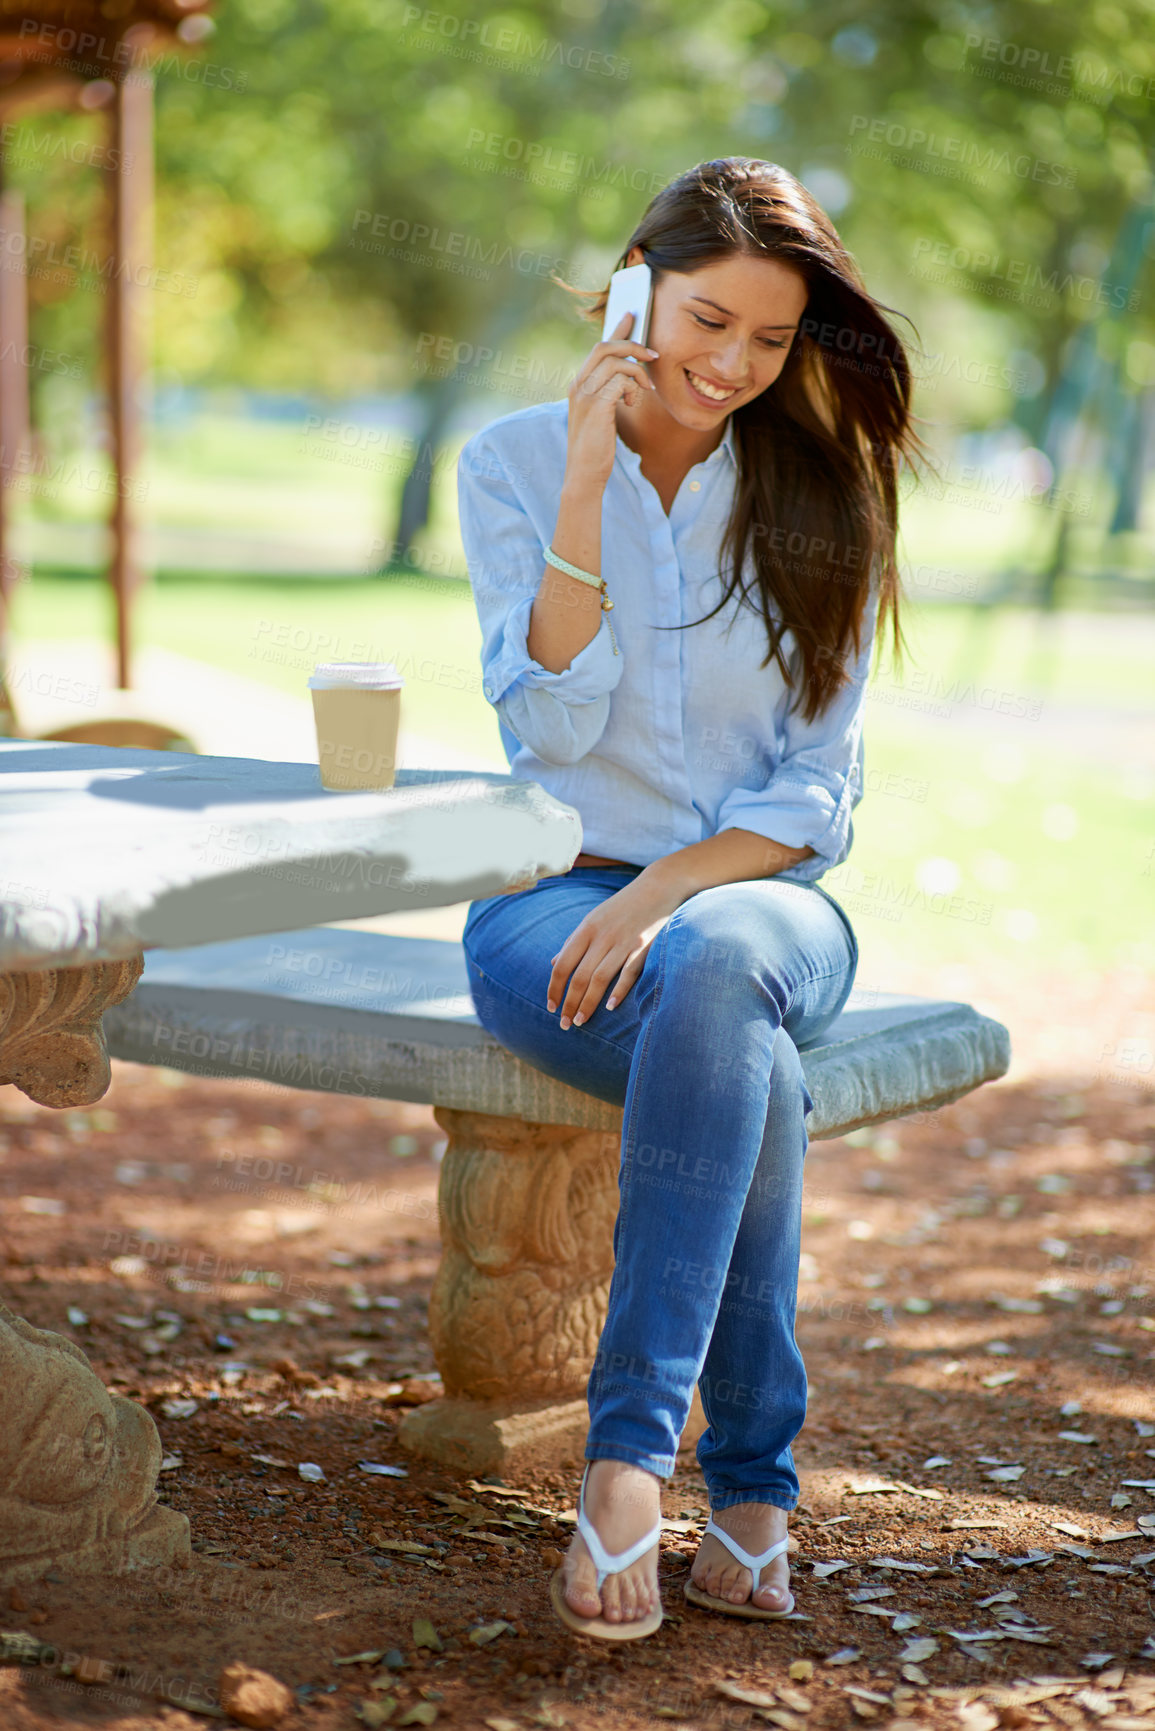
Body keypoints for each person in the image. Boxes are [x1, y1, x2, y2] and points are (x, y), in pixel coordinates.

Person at [455, 156, 919, 1641]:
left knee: (719, 969)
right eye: (706, 321)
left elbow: (810, 800)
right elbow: (551, 735)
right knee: (747, 1072)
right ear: (636, 288)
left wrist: (662, 890)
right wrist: (590, 484)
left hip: (758, 903)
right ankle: (755, 1506)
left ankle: (624, 1472)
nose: (730, 366)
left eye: (770, 342)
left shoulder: (821, 493)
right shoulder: (516, 464)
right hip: (547, 907)